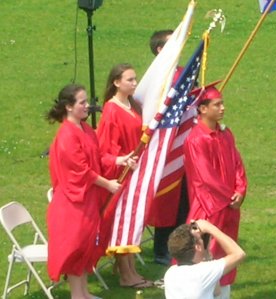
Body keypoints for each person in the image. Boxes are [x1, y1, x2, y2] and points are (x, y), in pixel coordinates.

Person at [46, 83, 136, 298]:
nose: (88, 106)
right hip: (73, 203)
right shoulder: (67, 135)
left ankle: (84, 293)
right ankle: (78, 295)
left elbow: (97, 158)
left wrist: (120, 160)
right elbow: (81, 170)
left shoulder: (85, 129)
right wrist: (108, 184)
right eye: (82, 102)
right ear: (69, 107)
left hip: (87, 201)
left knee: (86, 247)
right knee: (76, 249)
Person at [183, 84, 248, 298]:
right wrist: (230, 196)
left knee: (226, 253)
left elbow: (237, 163)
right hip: (208, 206)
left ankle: (224, 294)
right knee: (203, 254)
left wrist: (241, 189)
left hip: (229, 206)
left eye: (222, 104)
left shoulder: (225, 133)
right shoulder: (196, 139)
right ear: (202, 109)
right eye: (217, 104)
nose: (222, 108)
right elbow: (205, 176)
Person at [96, 63, 153, 288]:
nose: (134, 83)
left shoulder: (132, 105)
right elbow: (105, 149)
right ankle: (126, 274)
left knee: (131, 221)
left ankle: (131, 270)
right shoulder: (111, 110)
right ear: (116, 82)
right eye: (129, 80)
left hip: (134, 171)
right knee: (122, 223)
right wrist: (121, 160)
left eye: (135, 79)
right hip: (121, 173)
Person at [147, 29, 189, 266]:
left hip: (184, 145)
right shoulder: (155, 77)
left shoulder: (184, 73)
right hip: (164, 146)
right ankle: (162, 249)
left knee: (184, 199)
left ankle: (182, 247)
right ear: (160, 49)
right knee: (166, 200)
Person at [164, 219, 245, 299]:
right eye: (200, 239)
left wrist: (206, 256)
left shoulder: (170, 273)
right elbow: (239, 254)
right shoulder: (203, 272)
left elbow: (216, 291)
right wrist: (209, 228)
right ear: (198, 247)